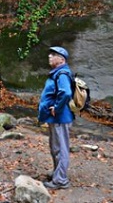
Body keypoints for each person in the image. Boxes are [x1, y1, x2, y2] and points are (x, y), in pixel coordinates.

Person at [38, 45, 74, 190]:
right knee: (55, 147)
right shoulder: (58, 73)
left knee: (61, 148)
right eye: (50, 54)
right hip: (57, 118)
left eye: (53, 55)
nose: (49, 56)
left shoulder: (62, 74)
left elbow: (65, 93)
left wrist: (57, 108)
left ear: (61, 59)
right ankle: (57, 174)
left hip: (60, 117)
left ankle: (60, 180)